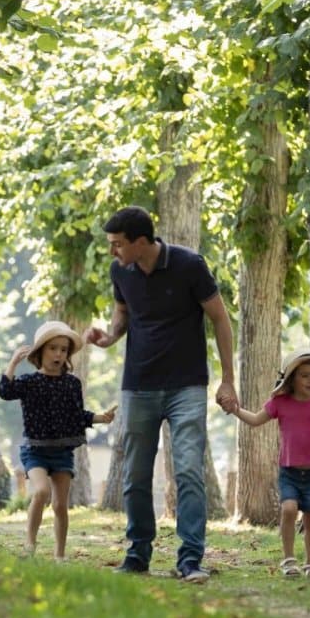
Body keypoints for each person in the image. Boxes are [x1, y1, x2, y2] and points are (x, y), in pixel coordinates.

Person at [86, 206, 237, 584]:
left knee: (188, 469)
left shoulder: (189, 265)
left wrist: (228, 379)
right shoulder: (121, 270)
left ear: (141, 242)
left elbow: (220, 317)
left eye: (117, 244)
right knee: (134, 474)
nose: (113, 252)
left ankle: (190, 559)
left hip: (186, 384)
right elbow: (122, 315)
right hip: (138, 385)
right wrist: (107, 338)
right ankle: (138, 553)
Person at [226, 349, 310, 579]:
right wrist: (236, 410)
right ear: (292, 379)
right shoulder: (280, 403)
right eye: (305, 375)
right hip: (289, 472)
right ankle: (289, 559)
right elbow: (257, 420)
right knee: (288, 509)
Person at [0, 320, 116, 561]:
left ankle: (59, 556)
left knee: (61, 506)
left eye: (63, 349)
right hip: (35, 451)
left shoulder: (72, 384)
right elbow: (5, 392)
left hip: (62, 452)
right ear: (41, 351)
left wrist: (100, 418)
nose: (59, 354)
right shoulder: (30, 382)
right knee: (41, 492)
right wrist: (12, 363)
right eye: (53, 348)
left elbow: (76, 416)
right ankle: (29, 545)